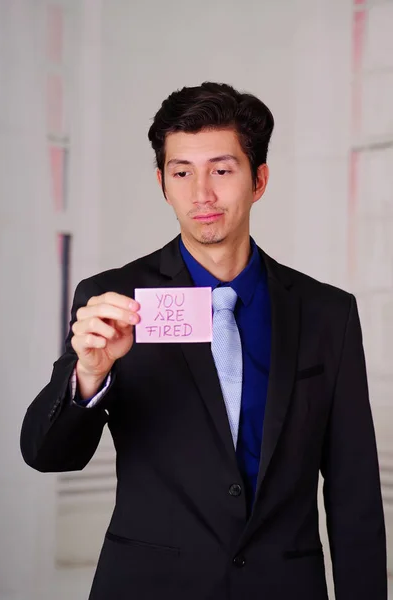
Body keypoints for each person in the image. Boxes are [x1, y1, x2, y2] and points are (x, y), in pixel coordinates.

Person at [20, 82, 387, 600]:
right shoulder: (113, 298)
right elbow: (47, 454)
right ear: (161, 182)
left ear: (258, 180)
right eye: (182, 172)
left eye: (221, 170)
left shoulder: (328, 313)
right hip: (150, 585)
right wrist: (90, 374)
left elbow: (354, 492)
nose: (202, 195)